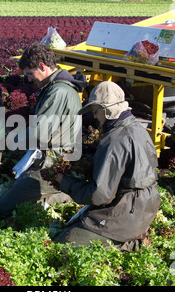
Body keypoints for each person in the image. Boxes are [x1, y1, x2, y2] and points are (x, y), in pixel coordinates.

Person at [54, 81, 161, 251]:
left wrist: (64, 181)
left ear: (107, 110)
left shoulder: (115, 140)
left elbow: (99, 195)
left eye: (96, 111)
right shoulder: (137, 128)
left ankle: (126, 244)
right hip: (143, 209)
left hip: (125, 214)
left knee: (63, 245)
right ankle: (125, 239)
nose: (95, 117)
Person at [0, 42, 87, 217]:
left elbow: (39, 133)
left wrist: (9, 138)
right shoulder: (52, 88)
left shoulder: (58, 92)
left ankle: (69, 194)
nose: (29, 79)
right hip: (48, 155)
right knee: (16, 188)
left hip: (56, 161)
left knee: (4, 206)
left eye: (30, 73)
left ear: (42, 67)